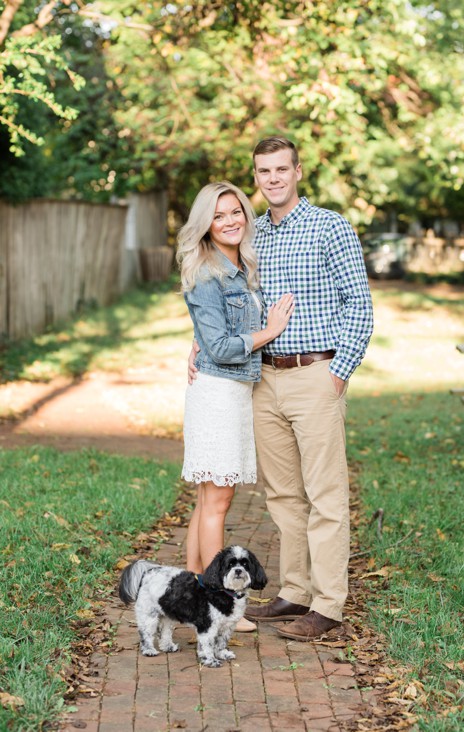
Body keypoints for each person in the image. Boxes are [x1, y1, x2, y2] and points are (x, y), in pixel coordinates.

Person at [190, 137, 374, 642]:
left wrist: (340, 372)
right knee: (284, 495)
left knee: (326, 495)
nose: (272, 178)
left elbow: (359, 305)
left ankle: (328, 603)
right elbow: (227, 301)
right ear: (256, 177)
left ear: (297, 171)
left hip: (317, 373)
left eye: (280, 169)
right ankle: (295, 590)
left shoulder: (330, 227)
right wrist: (198, 343)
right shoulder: (252, 238)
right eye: (262, 171)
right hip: (262, 377)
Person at [177, 181, 294, 632]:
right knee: (218, 500)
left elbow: (213, 330)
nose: (229, 221)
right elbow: (225, 345)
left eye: (235, 212)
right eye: (218, 216)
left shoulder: (241, 263)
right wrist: (271, 330)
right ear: (205, 224)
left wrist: (197, 340)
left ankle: (188, 590)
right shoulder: (206, 271)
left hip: (235, 391)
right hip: (217, 393)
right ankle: (216, 602)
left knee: (208, 497)